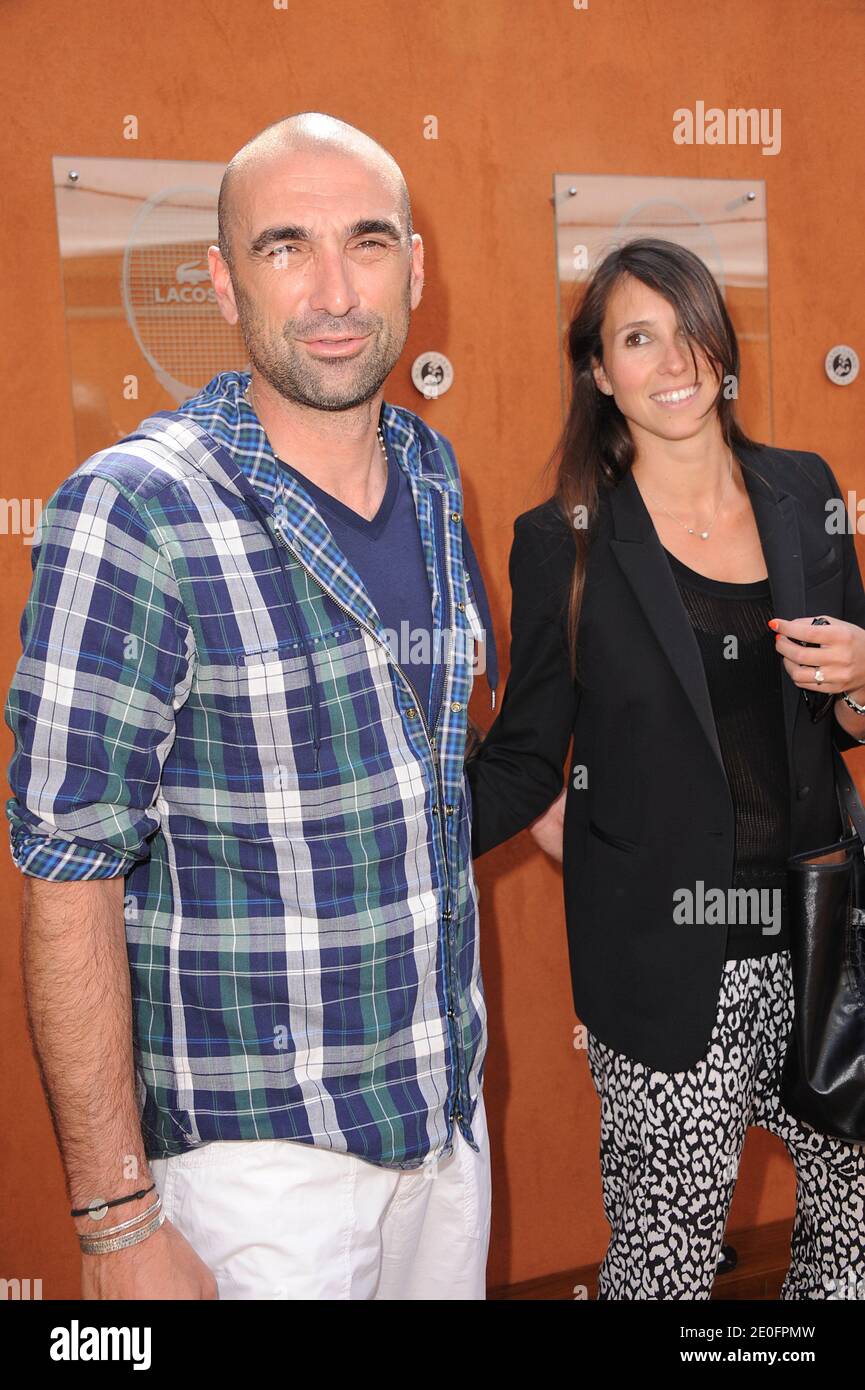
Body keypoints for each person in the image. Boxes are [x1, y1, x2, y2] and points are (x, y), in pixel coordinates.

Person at [5, 112, 499, 1300]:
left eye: (366, 242)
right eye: (286, 247)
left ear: (415, 270)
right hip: (257, 1175)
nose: (334, 289)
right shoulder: (136, 508)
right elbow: (66, 871)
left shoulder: (432, 473)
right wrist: (119, 1220)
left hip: (442, 1129)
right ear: (225, 282)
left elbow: (420, 775)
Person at [466, 237, 865, 1300]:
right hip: (665, 967)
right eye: (637, 338)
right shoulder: (565, 540)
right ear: (599, 370)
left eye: (689, 330)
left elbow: (845, 713)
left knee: (852, 1236)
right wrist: (380, 829)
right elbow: (522, 757)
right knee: (664, 1264)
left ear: (724, 351)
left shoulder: (805, 491)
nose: (673, 360)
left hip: (825, 942)